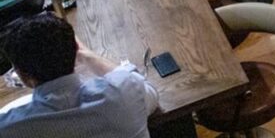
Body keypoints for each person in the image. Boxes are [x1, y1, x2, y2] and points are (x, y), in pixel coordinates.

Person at [0, 13, 159, 138]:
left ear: (22, 74)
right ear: (75, 49)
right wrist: (87, 55)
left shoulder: (9, 128)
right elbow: (150, 94)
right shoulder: (125, 90)